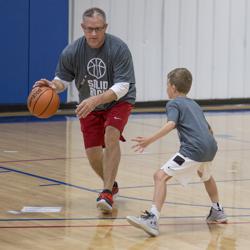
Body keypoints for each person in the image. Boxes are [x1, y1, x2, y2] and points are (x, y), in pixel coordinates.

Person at [34, 7, 136, 213]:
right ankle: (112, 184)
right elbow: (63, 79)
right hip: (89, 104)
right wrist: (54, 86)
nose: (94, 34)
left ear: (105, 27)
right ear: (83, 27)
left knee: (111, 134)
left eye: (98, 29)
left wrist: (95, 99)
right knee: (92, 154)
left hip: (118, 101)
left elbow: (122, 86)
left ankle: (106, 192)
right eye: (89, 29)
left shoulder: (119, 48)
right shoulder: (72, 51)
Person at [126, 68, 227, 237]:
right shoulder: (194, 104)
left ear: (172, 87)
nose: (166, 88)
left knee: (160, 176)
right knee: (205, 175)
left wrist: (149, 140)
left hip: (193, 149)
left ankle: (152, 218)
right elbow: (208, 128)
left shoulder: (173, 103)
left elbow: (171, 124)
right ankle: (218, 209)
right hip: (211, 146)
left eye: (167, 85)